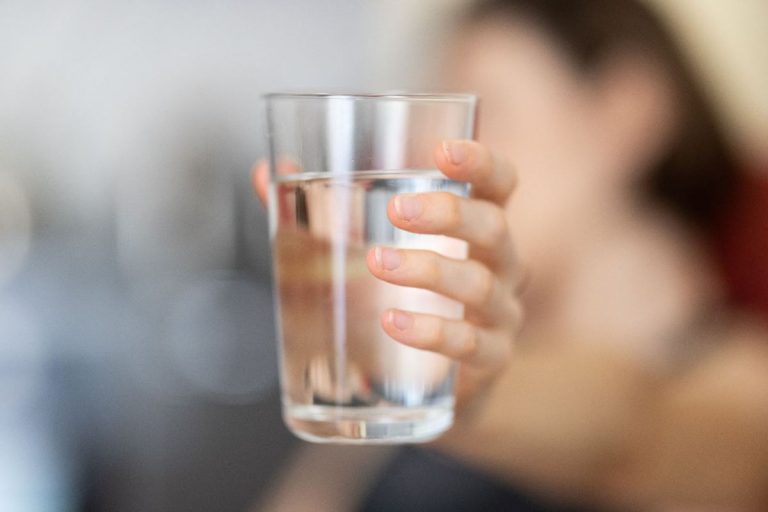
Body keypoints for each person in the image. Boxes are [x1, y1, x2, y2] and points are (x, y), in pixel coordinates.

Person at [253, 0, 768, 510]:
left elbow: (636, 438)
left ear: (627, 110)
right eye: (426, 124)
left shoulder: (735, 382)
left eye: (485, 111)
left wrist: (469, 398)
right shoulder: (411, 363)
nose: (430, 154)